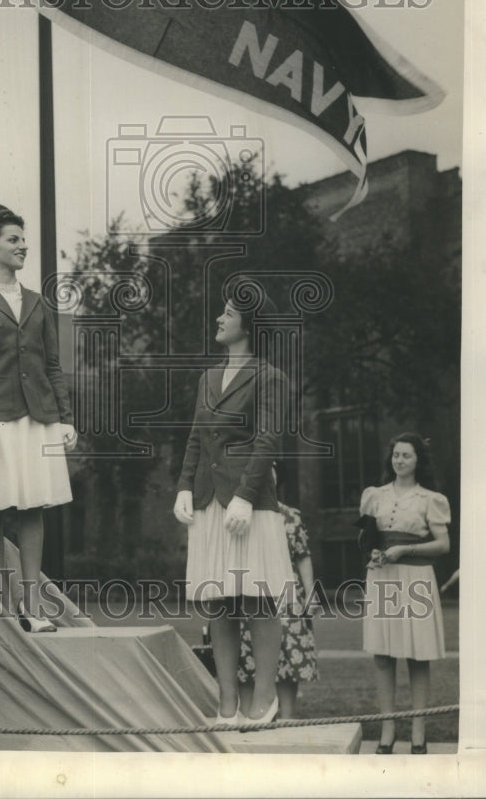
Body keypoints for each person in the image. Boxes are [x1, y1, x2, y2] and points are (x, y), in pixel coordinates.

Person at [173, 281, 293, 725]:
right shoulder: (207, 378)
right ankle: (227, 705)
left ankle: (262, 700)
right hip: (209, 502)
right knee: (220, 603)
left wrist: (244, 496)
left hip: (249, 505)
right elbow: (194, 439)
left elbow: (266, 441)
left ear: (248, 323)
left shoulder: (270, 377)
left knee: (259, 600)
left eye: (227, 313)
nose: (220, 319)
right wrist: (185, 486)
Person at [0, 204, 76, 632]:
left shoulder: (39, 303)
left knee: (33, 509)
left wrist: (64, 417)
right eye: (13, 239)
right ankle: (6, 607)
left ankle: (33, 607)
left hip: (37, 418)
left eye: (23, 238)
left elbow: (53, 365)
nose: (23, 245)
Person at [359, 433, 450, 754]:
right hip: (382, 578)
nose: (400, 460)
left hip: (416, 580)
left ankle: (418, 731)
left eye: (406, 456)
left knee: (416, 654)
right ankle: (387, 730)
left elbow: (443, 544)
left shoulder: (430, 499)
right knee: (383, 655)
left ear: (418, 461)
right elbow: (366, 537)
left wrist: (405, 549)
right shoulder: (375, 496)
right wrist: (372, 552)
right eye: (396, 455)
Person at [237, 499, 319, 718]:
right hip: (248, 586)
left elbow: (302, 556)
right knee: (245, 652)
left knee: (288, 653)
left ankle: (287, 718)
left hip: (286, 588)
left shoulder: (290, 514)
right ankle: (246, 715)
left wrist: (311, 595)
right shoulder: (239, 512)